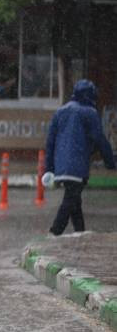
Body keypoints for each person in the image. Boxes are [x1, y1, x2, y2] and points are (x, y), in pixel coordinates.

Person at [44, 79, 116, 236]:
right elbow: (100, 139)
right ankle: (54, 233)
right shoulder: (89, 113)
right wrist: (111, 162)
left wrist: (48, 169)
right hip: (77, 166)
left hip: (60, 165)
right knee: (70, 200)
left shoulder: (60, 112)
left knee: (75, 201)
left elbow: (50, 143)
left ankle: (80, 233)